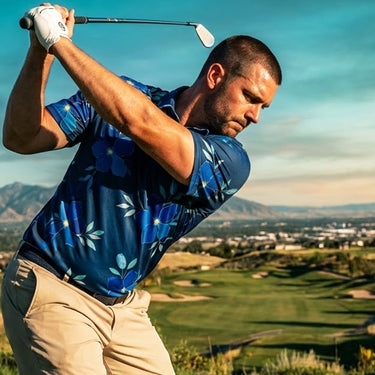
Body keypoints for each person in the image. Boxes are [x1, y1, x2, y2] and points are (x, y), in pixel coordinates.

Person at [1, 4, 282, 375]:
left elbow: (141, 124)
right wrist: (40, 50)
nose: (255, 116)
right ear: (216, 75)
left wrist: (59, 42)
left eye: (263, 106)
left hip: (123, 308)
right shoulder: (121, 95)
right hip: (53, 287)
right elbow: (21, 136)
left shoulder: (230, 160)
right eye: (250, 97)